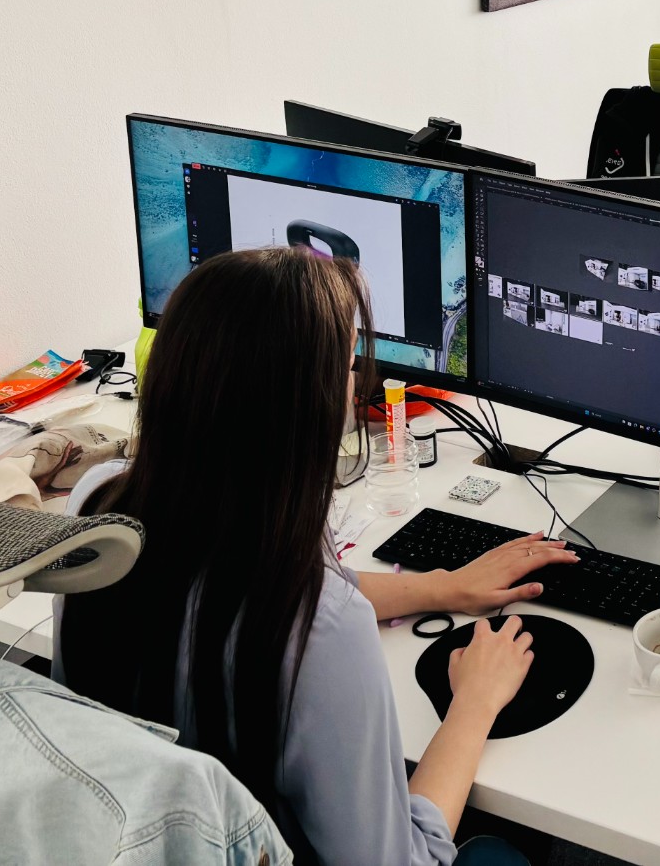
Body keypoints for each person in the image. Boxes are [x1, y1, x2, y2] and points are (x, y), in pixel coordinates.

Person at [57, 247, 579, 865]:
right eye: (348, 364)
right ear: (313, 406)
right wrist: (474, 702)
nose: (356, 382)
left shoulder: (99, 509)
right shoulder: (324, 633)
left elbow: (248, 584)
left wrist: (442, 586)